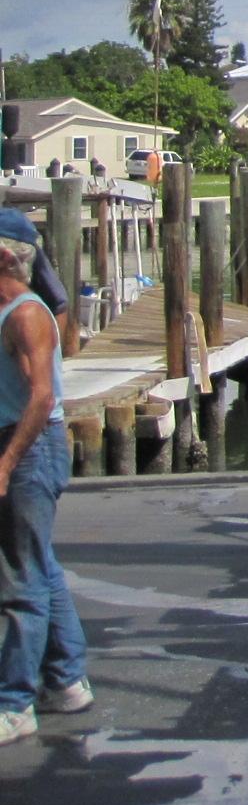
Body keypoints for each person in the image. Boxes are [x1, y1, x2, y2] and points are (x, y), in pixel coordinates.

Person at [0, 220, 88, 745]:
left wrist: (8, 460)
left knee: (20, 578)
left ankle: (14, 704)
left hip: (32, 446)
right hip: (18, 442)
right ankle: (66, 680)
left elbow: (42, 398)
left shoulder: (28, 314)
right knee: (38, 564)